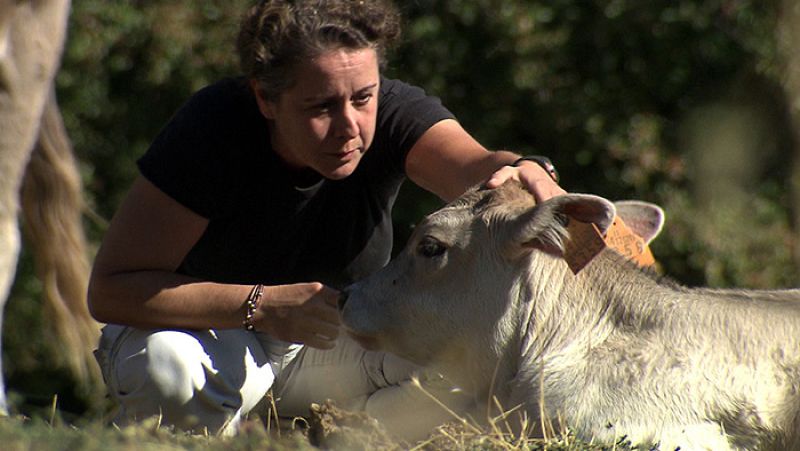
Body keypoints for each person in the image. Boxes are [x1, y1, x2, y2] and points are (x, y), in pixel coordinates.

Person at [87, 0, 565, 440]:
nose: (349, 125)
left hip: (332, 348)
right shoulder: (212, 130)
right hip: (209, 341)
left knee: (479, 354)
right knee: (164, 366)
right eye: (320, 107)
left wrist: (525, 170)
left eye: (364, 98)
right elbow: (110, 290)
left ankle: (338, 441)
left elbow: (478, 169)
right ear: (265, 99)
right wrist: (262, 305)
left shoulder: (396, 112)